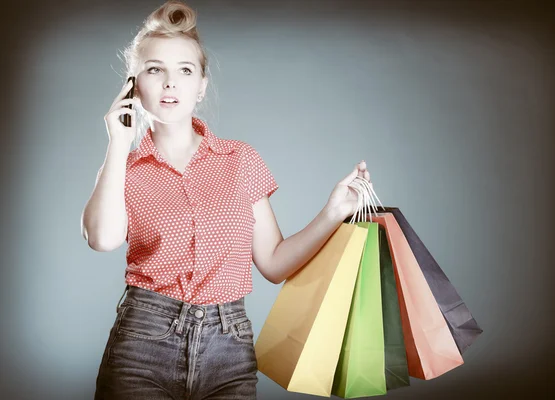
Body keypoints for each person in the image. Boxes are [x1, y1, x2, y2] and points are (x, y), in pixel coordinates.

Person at [81, 1, 372, 399]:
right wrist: (118, 142)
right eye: (154, 69)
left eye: (185, 70)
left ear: (201, 85)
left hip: (229, 349)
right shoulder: (123, 169)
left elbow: (273, 262)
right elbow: (102, 239)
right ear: (133, 85)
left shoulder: (241, 160)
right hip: (142, 343)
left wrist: (333, 212)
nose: (170, 83)